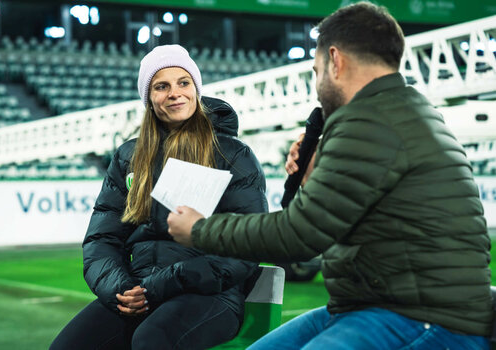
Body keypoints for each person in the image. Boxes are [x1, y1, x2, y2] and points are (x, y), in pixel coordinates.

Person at [167, 3, 492, 349]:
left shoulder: (369, 122)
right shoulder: (404, 110)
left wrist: (200, 230)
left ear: (335, 60)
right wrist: (316, 177)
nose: (318, 82)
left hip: (424, 317)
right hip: (386, 305)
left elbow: (299, 235)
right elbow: (347, 219)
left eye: (317, 70)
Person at [50, 44, 268, 350]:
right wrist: (120, 289)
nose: (175, 93)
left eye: (184, 83)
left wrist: (163, 284)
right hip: (138, 291)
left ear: (196, 89)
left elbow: (246, 243)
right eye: (161, 86)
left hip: (212, 295)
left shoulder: (233, 155)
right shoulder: (128, 156)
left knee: (152, 340)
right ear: (149, 99)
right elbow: (102, 239)